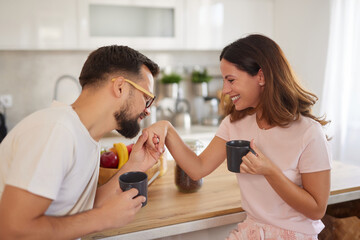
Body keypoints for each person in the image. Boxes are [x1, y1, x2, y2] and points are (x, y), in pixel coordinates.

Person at [145, 34, 331, 239]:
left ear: (261, 76)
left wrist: (269, 171)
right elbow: (197, 169)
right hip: (251, 232)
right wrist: (168, 129)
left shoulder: (308, 132)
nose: (225, 90)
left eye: (231, 80)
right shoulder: (235, 124)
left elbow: (316, 209)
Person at [0, 45, 163, 239]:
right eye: (147, 98)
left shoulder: (84, 136)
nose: (147, 110)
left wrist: (136, 164)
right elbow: (12, 229)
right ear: (120, 86)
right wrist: (102, 218)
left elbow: (79, 206)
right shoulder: (56, 130)